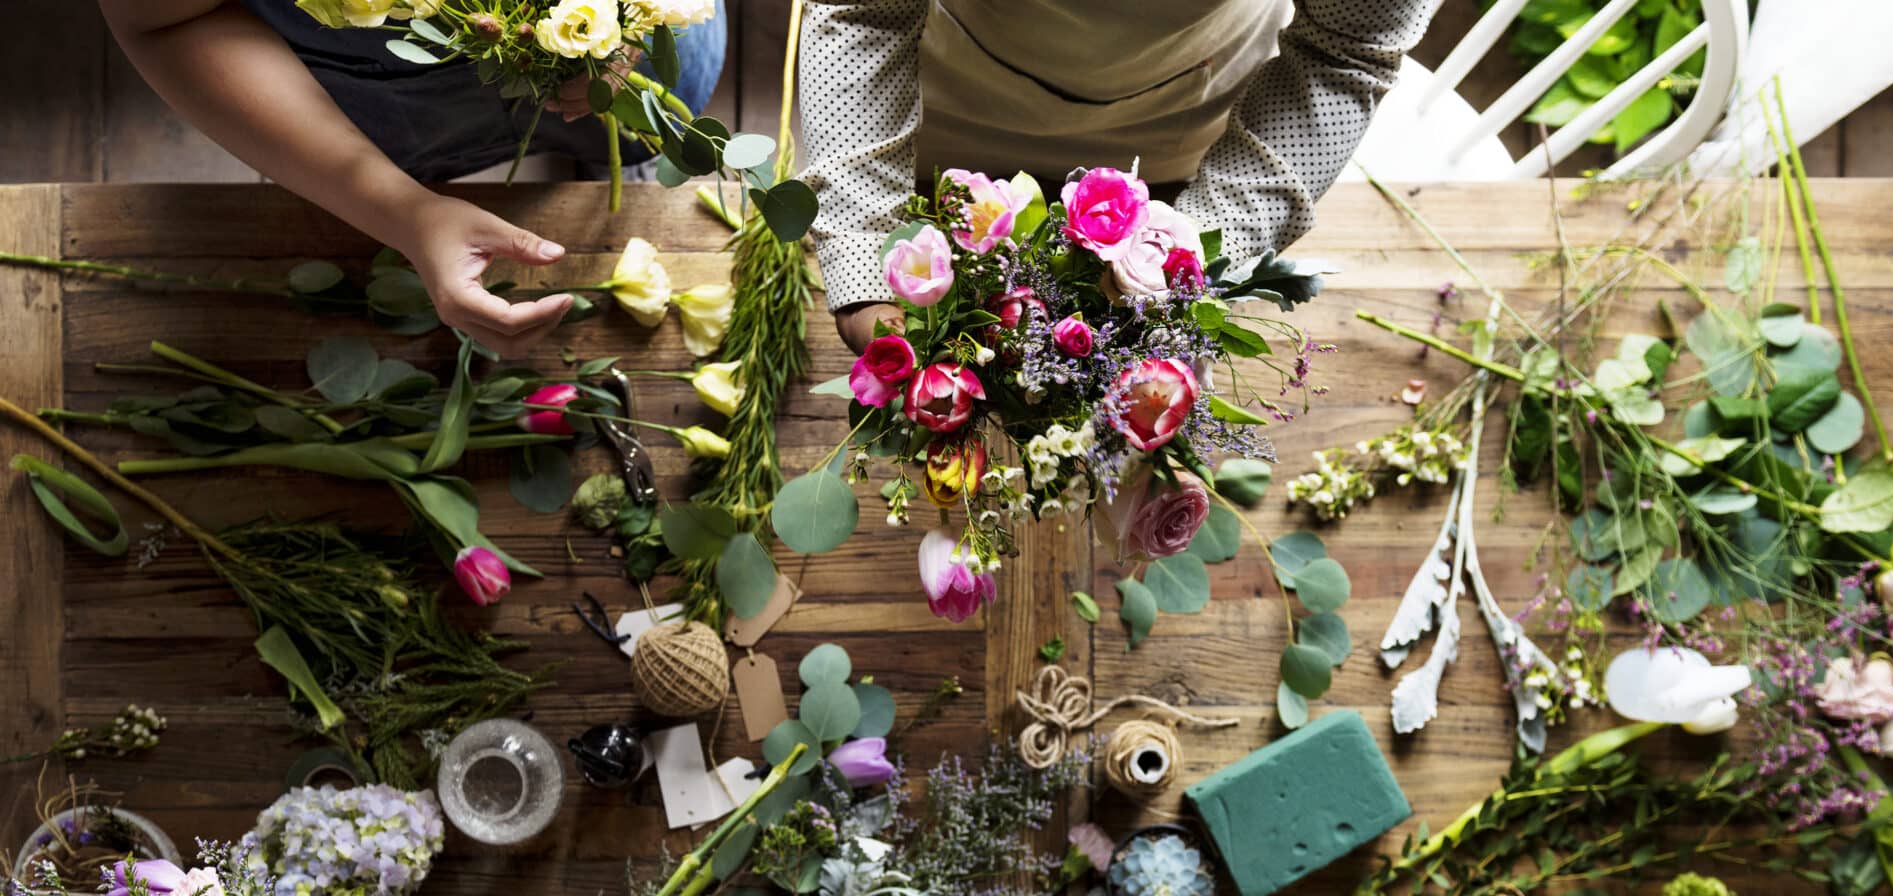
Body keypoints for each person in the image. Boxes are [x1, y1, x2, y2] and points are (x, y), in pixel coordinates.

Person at [797, 0, 1439, 352]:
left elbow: (1341, 53)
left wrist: (1187, 262)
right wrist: (862, 255)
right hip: (954, 102)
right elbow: (866, 11)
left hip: (1181, 119)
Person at [96, 0, 728, 353]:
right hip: (393, 112)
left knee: (630, 127)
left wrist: (635, 18)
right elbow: (162, 19)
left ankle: (623, 142)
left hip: (640, 52)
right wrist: (405, 210)